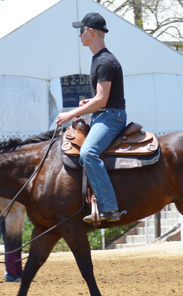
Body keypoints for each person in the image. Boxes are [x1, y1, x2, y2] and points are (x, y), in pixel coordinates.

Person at [55, 12, 127, 223]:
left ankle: (109, 208)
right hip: (105, 113)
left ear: (91, 32)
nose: (79, 36)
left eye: (81, 31)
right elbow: (100, 97)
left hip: (111, 117)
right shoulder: (99, 59)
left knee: (88, 153)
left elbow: (103, 101)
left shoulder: (104, 62)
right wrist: (90, 102)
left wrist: (71, 113)